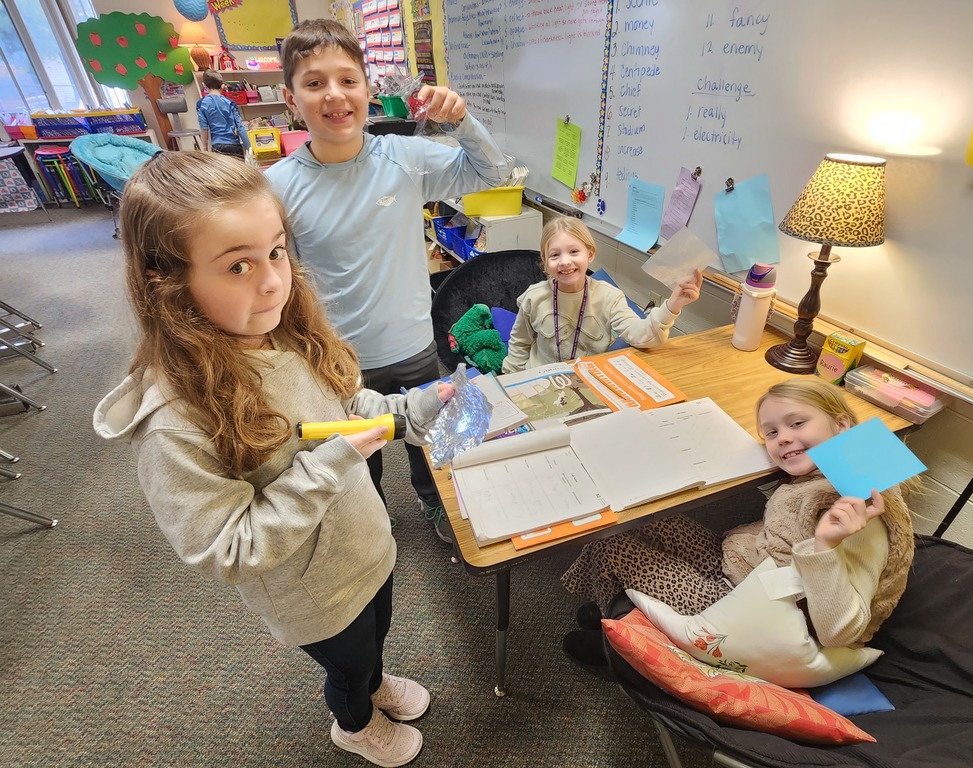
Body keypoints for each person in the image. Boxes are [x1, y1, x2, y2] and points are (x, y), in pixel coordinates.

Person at [93, 151, 454, 767]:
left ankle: (372, 682)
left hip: (367, 547)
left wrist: (410, 410)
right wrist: (329, 464)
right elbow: (229, 549)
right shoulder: (174, 423)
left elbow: (345, 400)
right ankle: (354, 722)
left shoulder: (286, 329)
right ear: (165, 281)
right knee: (346, 665)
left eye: (277, 252)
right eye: (238, 265)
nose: (272, 282)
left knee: (374, 637)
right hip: (312, 592)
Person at [266, 19, 510, 544]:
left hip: (412, 345)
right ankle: (372, 518)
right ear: (291, 99)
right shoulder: (276, 187)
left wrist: (462, 121)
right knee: (357, 453)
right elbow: (278, 281)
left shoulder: (405, 158)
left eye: (347, 80)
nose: (335, 95)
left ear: (367, 88)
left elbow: (494, 174)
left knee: (429, 438)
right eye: (314, 83)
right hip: (338, 359)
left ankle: (435, 503)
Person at [560, 377, 917, 670]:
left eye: (797, 423)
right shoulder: (828, 474)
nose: (783, 438)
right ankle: (612, 600)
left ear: (841, 424)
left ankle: (618, 647)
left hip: (751, 612)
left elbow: (839, 634)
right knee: (637, 523)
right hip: (748, 566)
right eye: (771, 433)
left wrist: (824, 546)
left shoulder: (859, 511)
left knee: (614, 547)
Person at [501, 217, 704, 373]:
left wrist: (673, 305)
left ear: (590, 254)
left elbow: (642, 335)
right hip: (541, 382)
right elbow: (519, 344)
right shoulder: (534, 298)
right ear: (545, 262)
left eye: (574, 252)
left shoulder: (609, 297)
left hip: (589, 383)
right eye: (555, 255)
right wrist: (510, 381)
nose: (565, 262)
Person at [196, 69, 251, 157]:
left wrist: (205, 148)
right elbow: (240, 127)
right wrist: (248, 147)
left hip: (217, 146)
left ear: (204, 85)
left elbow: (204, 128)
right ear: (222, 86)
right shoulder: (230, 103)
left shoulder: (201, 104)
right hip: (234, 145)